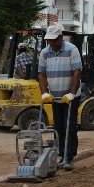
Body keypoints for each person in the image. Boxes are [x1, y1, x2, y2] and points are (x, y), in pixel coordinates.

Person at [37, 24, 82, 170]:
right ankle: (60, 153)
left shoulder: (71, 50)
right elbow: (41, 74)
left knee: (69, 126)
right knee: (58, 127)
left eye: (54, 40)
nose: (51, 43)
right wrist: (44, 92)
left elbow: (77, 72)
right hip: (54, 97)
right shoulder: (44, 53)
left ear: (61, 38)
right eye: (49, 40)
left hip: (70, 97)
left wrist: (72, 93)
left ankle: (69, 157)